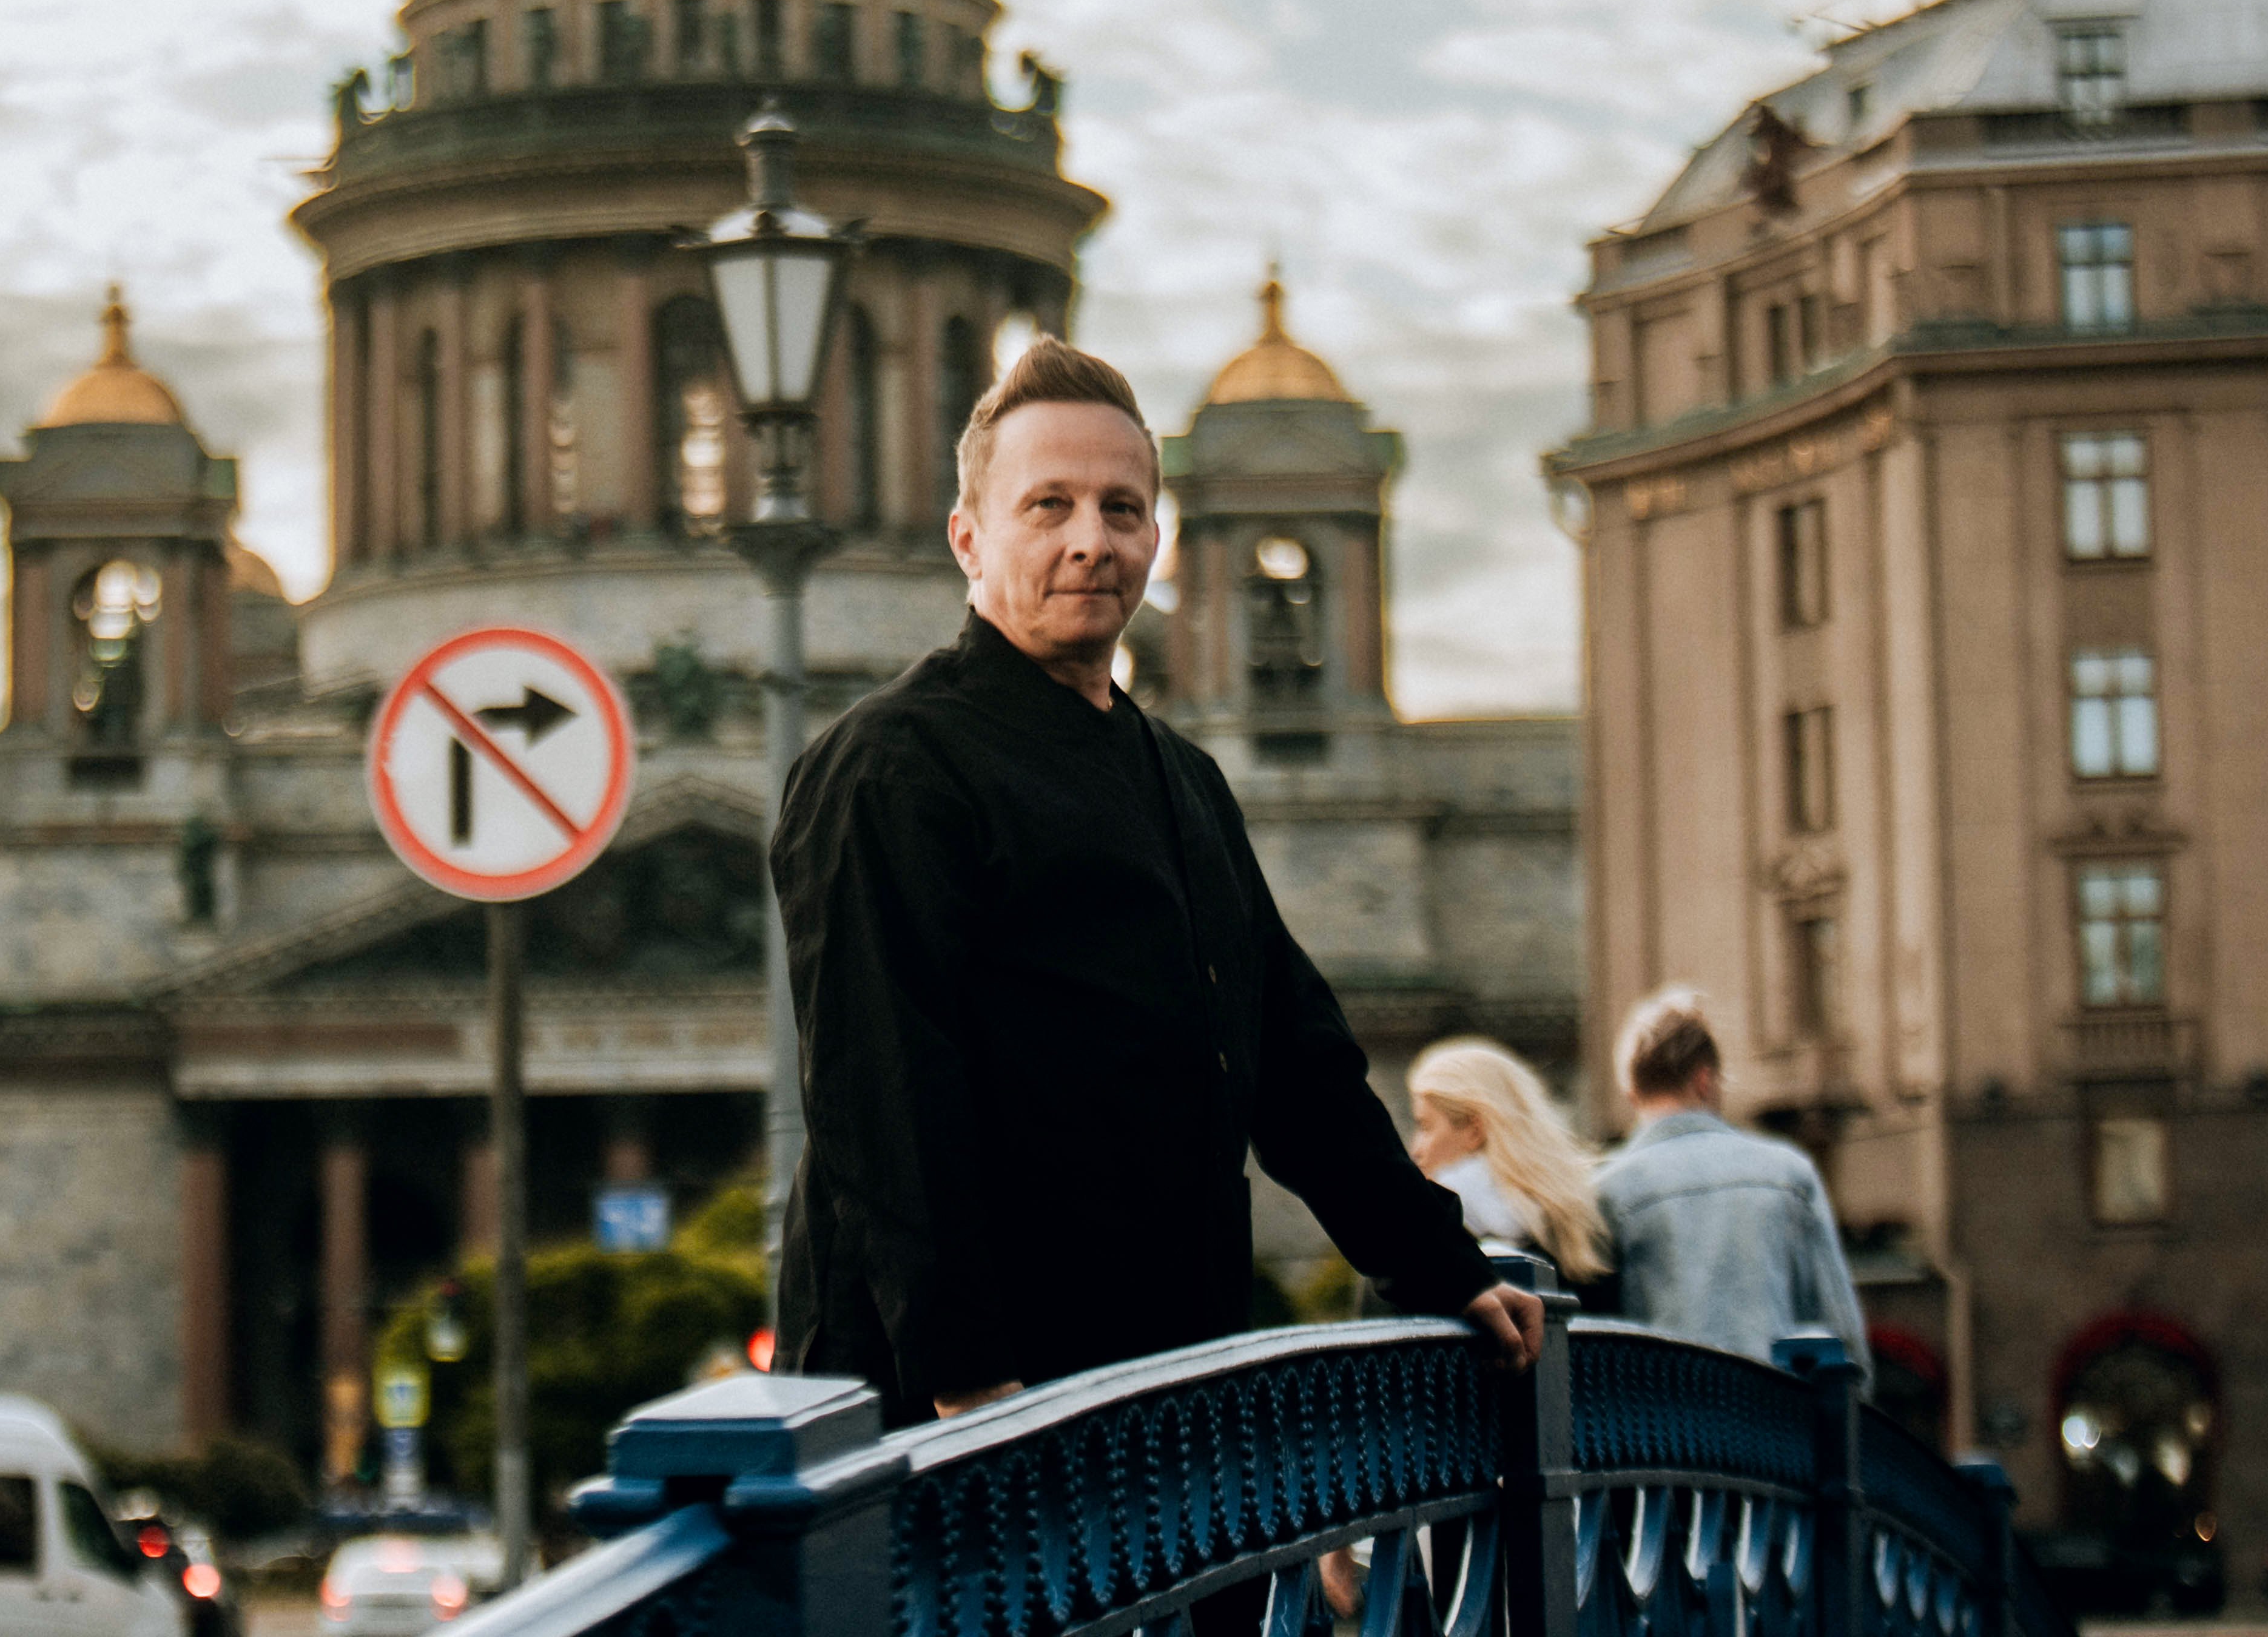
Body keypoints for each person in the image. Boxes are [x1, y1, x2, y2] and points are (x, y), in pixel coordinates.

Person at [771, 336, 1544, 1427]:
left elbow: (1298, 1063)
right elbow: (884, 1093)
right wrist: (972, 1381)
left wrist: (1443, 1267)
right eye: (1048, 506)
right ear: (968, 538)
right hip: (957, 1415)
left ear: (1156, 540)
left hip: (1160, 1378)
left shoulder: (1181, 777)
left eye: (1121, 510)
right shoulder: (890, 765)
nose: (1091, 540)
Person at [1592, 987, 1866, 1364]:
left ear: (1631, 1091)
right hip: (1772, 1398)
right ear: (1705, 1080)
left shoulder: (1605, 1190)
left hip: (1663, 1399)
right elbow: (1840, 1333)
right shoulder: (1788, 1173)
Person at [1407, 1038, 1610, 1286]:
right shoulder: (1582, 1221)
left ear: (1474, 1130)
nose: (1416, 1149)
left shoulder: (1425, 1234)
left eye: (1425, 1127)